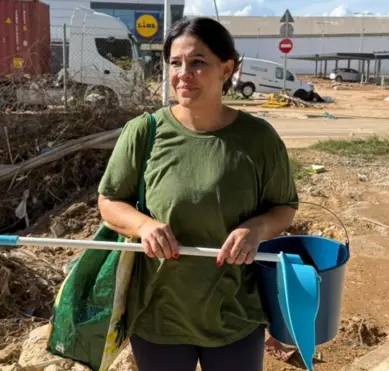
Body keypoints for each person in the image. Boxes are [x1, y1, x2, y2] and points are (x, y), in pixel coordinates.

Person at [97, 17, 299, 371]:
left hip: (235, 315)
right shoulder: (143, 133)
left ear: (227, 69)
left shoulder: (259, 139)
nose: (183, 74)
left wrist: (256, 229)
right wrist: (143, 225)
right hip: (158, 317)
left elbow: (284, 207)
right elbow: (109, 202)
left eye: (198, 62)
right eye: (175, 63)